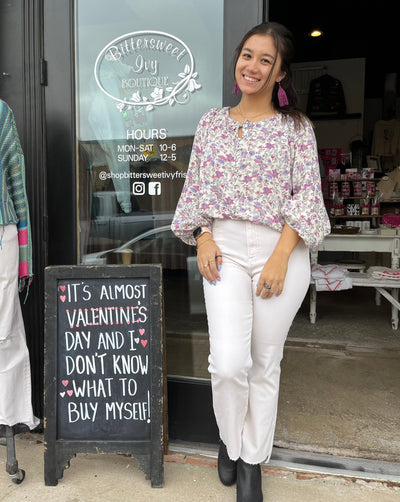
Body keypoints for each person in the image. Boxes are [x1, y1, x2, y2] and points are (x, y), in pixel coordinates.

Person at [171, 22, 330, 502]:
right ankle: (229, 437)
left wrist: (283, 254)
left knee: (264, 363)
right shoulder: (212, 123)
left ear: (281, 72)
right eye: (247, 55)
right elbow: (196, 191)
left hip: (281, 248)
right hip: (223, 249)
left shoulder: (297, 129)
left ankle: (250, 461)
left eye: (266, 60)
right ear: (236, 60)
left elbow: (308, 197)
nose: (252, 66)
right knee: (228, 364)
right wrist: (201, 236)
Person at [0, 99, 39, 432]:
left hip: (1, 232)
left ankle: (9, 418)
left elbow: (16, 181)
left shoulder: (0, 113)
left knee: (4, 332)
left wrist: (25, 258)